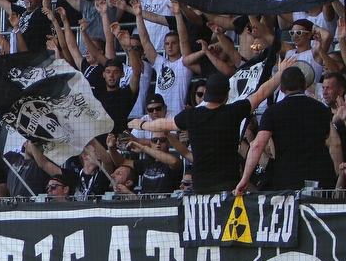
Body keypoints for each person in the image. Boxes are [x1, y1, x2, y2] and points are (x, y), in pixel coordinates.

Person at [129, 55, 294, 194]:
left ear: (206, 93)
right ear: (227, 94)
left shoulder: (191, 115)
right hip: (228, 183)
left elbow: (164, 124)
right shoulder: (233, 111)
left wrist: (141, 124)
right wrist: (280, 73)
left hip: (201, 185)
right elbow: (262, 92)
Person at [236, 64, 341, 193]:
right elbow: (329, 139)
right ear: (305, 86)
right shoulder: (322, 109)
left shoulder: (272, 112)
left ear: (281, 88)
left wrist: (245, 178)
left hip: (288, 180)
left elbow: (257, 145)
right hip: (321, 178)